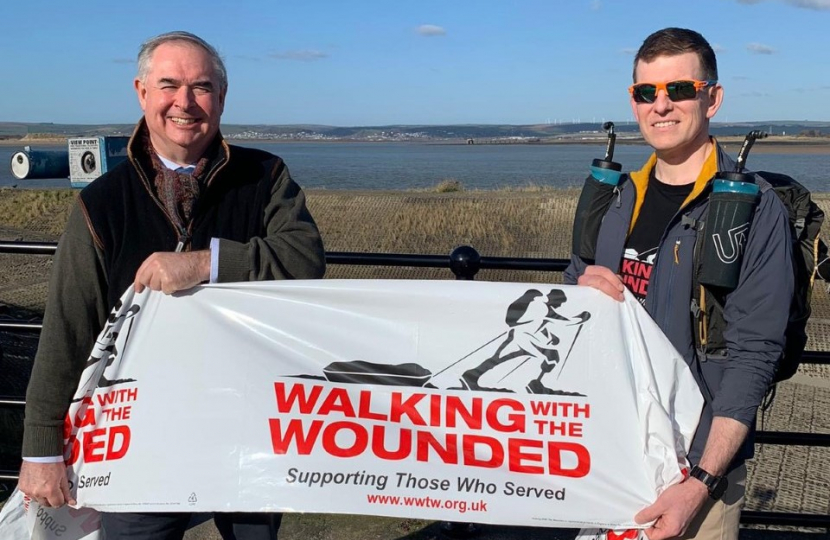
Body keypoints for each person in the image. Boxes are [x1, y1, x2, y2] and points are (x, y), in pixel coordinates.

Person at [18, 31, 326, 540]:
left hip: (245, 423)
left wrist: (206, 264)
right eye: (169, 85)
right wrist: (41, 449)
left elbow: (305, 257)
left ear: (221, 99)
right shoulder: (101, 204)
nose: (185, 102)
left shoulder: (266, 175)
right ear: (142, 92)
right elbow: (68, 330)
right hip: (139, 436)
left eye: (202, 87)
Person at [564, 28, 793, 540]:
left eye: (679, 89)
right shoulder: (617, 198)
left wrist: (701, 482)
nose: (660, 105)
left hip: (694, 471)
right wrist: (581, 292)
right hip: (607, 457)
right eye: (646, 92)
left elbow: (755, 353)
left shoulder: (752, 209)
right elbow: (570, 288)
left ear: (712, 98)